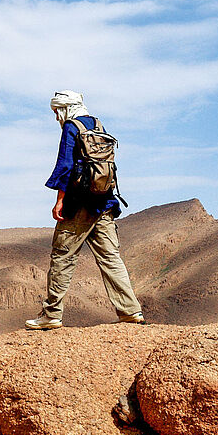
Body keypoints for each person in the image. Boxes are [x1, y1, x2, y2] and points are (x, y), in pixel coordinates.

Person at [25, 90, 145, 330]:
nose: (56, 116)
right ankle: (130, 311)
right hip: (105, 202)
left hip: (79, 205)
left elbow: (65, 166)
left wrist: (60, 200)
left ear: (65, 108)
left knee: (62, 257)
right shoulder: (98, 125)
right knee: (111, 259)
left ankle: (51, 315)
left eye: (57, 110)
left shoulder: (72, 127)